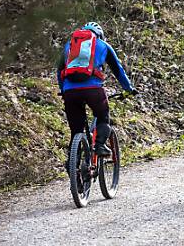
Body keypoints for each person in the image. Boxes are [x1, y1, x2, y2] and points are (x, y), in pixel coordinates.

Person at [57, 21, 136, 157]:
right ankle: (100, 145)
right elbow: (118, 70)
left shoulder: (69, 46)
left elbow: (60, 71)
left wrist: (64, 90)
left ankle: (72, 163)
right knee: (103, 117)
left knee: (76, 131)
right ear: (100, 35)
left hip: (70, 92)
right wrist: (128, 88)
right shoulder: (103, 45)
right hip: (93, 90)